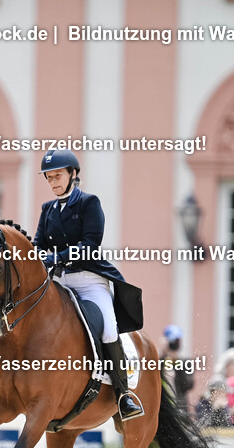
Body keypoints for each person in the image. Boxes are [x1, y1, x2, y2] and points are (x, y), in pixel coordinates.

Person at [35, 149, 143, 420]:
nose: (53, 182)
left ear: (73, 174)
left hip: (90, 282)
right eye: (49, 178)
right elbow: (37, 243)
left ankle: (123, 395)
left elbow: (90, 244)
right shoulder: (47, 210)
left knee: (108, 329)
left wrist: (56, 257)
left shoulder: (88, 203)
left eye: (57, 176)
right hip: (60, 282)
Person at [160, 325, 195, 412]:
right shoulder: (159, 362)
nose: (174, 345)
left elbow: (188, 384)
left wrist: (177, 363)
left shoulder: (184, 362)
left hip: (180, 408)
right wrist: (163, 356)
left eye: (176, 342)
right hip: (163, 409)